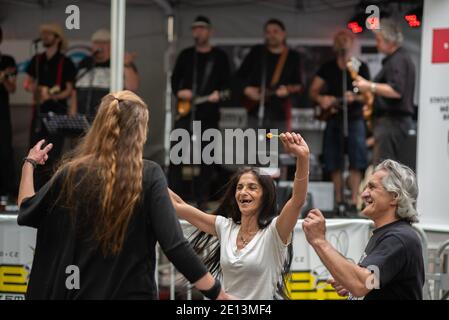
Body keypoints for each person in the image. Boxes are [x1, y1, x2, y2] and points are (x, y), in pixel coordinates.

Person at [16, 90, 232, 300]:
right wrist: (218, 294)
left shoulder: (71, 173)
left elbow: (26, 210)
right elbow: (176, 246)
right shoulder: (148, 175)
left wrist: (30, 163)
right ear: (140, 131)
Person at [169, 132, 310, 299]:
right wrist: (142, 170)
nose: (243, 192)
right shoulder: (224, 227)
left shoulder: (274, 233)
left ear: (265, 196)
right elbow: (178, 205)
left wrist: (303, 157)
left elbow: (297, 200)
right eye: (240, 187)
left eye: (252, 187)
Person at [303, 159, 424, 300]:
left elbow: (362, 283)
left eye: (372, 188)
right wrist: (348, 280)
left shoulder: (398, 238)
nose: (364, 194)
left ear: (394, 197)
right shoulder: (389, 234)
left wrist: (319, 241)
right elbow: (371, 281)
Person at [170, 16, 231, 210]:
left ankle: (202, 198)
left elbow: (229, 86)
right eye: (195, 28)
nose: (198, 32)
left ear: (210, 31)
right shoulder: (186, 55)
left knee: (207, 154)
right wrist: (179, 92)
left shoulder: (219, 57)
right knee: (177, 151)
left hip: (209, 111)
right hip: (186, 110)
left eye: (202, 28)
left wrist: (218, 95)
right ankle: (173, 195)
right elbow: (175, 80)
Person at [309, 30, 370, 215]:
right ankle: (338, 200)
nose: (342, 43)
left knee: (356, 159)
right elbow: (313, 91)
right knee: (333, 159)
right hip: (334, 117)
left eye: (346, 39)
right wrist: (322, 100)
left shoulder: (360, 66)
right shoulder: (327, 67)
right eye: (339, 39)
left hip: (355, 118)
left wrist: (355, 97)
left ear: (351, 43)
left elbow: (368, 96)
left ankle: (354, 200)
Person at [353, 18, 416, 165]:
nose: (376, 43)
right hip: (391, 122)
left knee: (384, 169)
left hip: (393, 122)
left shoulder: (398, 60)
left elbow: (396, 90)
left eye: (378, 39)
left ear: (389, 40)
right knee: (385, 167)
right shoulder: (397, 59)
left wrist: (369, 86)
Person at [23, 23, 76, 187]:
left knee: (54, 154)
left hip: (58, 113)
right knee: (35, 150)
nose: (45, 37)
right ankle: (34, 189)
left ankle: (50, 189)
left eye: (49, 34)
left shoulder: (65, 62)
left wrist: (52, 94)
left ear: (57, 38)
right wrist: (38, 89)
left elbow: (69, 90)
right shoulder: (37, 60)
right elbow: (27, 83)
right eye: (43, 34)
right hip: (39, 114)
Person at [237, 18, 302, 132]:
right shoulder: (257, 52)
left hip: (279, 114)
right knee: (252, 148)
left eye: (275, 31)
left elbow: (298, 85)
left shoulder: (292, 57)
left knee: (278, 149)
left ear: (283, 34)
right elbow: (239, 76)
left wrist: (287, 90)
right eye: (268, 32)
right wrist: (246, 89)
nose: (271, 35)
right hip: (255, 112)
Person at [72, 29, 139, 121]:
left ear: (112, 45)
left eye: (104, 43)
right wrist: (72, 116)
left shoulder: (120, 62)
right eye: (96, 43)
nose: (100, 46)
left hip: (110, 120)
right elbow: (75, 91)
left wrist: (126, 65)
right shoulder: (85, 63)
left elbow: (132, 87)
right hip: (84, 120)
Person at [0, 26, 18, 199]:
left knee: (5, 149)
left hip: (2, 113)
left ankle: (7, 190)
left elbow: (12, 88)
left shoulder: (7, 61)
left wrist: (4, 77)